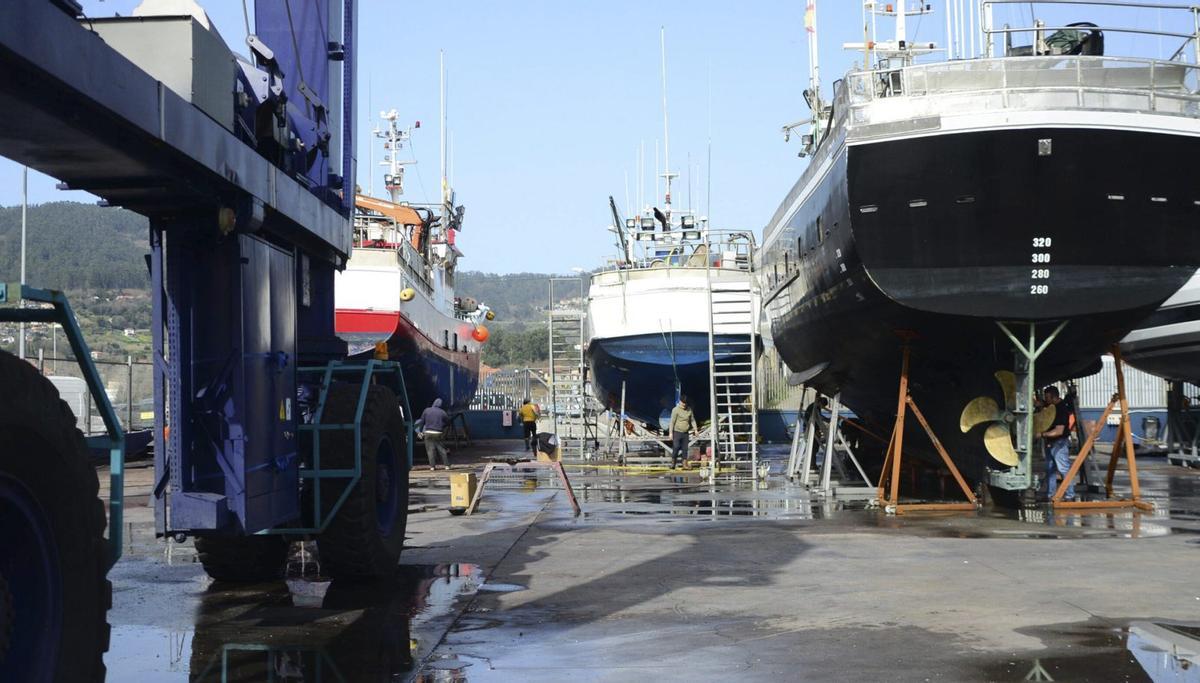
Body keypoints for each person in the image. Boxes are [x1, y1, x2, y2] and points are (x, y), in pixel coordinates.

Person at [1040, 385, 1075, 501]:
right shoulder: (1051, 406)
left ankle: (1070, 494)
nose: (1046, 400)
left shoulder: (1061, 410)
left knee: (1063, 468)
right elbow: (1040, 404)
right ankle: (1050, 494)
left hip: (1059, 443)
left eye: (1048, 398)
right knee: (1050, 469)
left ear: (1054, 398)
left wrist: (1042, 434)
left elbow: (1059, 431)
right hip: (1050, 442)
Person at [416, 398, 451, 470]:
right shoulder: (442, 412)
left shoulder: (427, 410)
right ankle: (447, 466)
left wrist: (420, 431)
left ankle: (432, 467)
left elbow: (422, 422)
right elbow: (448, 422)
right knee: (441, 449)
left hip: (428, 433)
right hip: (438, 433)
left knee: (430, 450)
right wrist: (442, 426)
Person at [669, 395, 699, 469]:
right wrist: (670, 433)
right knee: (676, 447)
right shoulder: (675, 410)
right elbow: (672, 422)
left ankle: (684, 464)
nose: (684, 405)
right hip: (677, 432)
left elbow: (692, 420)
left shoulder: (689, 410)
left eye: (685, 403)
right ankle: (673, 462)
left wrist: (695, 430)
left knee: (685, 449)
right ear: (680, 402)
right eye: (683, 403)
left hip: (685, 433)